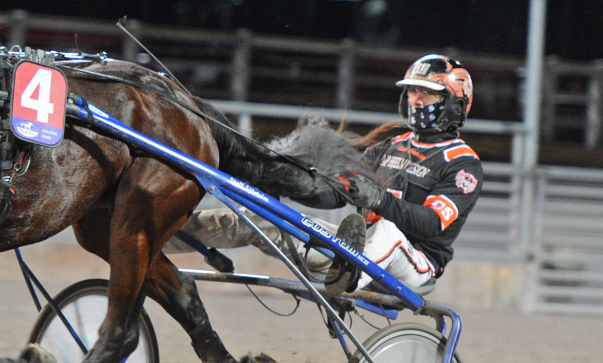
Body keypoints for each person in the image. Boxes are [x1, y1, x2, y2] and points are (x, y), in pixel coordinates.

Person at [175, 54, 483, 295]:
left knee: (389, 234)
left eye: (427, 94)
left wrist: (379, 200)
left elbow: (431, 226)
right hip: (355, 252)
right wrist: (289, 181)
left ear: (454, 103)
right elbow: (337, 193)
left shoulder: (463, 165)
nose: (416, 99)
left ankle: (349, 274)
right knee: (256, 216)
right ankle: (163, 237)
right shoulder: (389, 147)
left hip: (415, 264)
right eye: (414, 91)